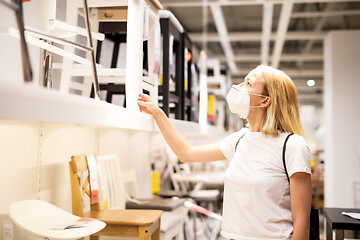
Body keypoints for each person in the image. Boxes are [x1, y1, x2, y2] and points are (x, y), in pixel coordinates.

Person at [138, 65, 312, 240]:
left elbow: (302, 221)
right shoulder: (239, 140)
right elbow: (186, 153)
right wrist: (158, 114)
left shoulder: (293, 146)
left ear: (265, 101)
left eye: (249, 83)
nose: (239, 87)